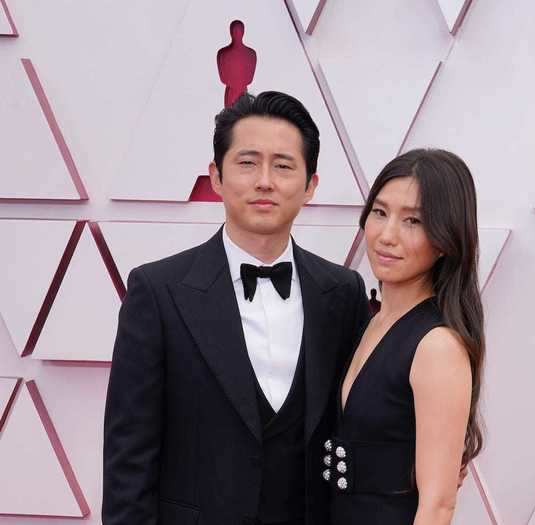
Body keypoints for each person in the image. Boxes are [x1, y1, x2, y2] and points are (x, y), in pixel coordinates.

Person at [102, 91, 370, 525]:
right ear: (216, 177)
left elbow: (361, 424)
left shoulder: (342, 292)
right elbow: (128, 458)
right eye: (247, 162)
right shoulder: (157, 291)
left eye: (283, 165)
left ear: (310, 186)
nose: (265, 181)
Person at [324, 149, 484, 525]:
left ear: (446, 238)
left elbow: (438, 504)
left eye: (413, 220)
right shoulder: (370, 321)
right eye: (380, 213)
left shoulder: (437, 345)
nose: (387, 235)